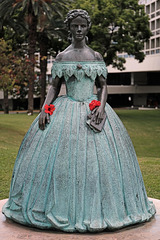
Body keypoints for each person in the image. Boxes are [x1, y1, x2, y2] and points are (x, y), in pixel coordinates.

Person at [3, 9, 155, 232]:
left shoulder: (95, 57)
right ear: (70, 28)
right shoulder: (62, 57)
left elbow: (103, 86)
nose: (79, 29)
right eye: (75, 25)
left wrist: (101, 108)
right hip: (66, 110)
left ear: (88, 27)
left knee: (100, 164)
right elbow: (54, 86)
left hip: (93, 110)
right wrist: (45, 108)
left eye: (83, 25)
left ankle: (102, 209)